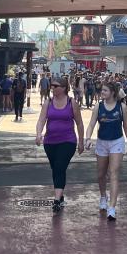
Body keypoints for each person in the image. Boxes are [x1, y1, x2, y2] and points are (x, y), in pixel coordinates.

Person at [84, 82, 127, 220]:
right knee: (101, 174)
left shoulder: (122, 107)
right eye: (102, 90)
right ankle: (103, 197)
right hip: (102, 142)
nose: (102, 92)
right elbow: (91, 124)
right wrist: (88, 138)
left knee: (114, 173)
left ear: (112, 92)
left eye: (105, 90)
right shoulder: (98, 106)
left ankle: (112, 207)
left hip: (117, 142)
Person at [35, 76, 84, 212]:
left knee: (59, 166)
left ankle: (56, 200)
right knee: (55, 168)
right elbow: (41, 120)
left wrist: (81, 142)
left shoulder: (71, 102)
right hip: (50, 141)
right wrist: (39, 134)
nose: (52, 88)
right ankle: (60, 194)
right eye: (52, 86)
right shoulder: (48, 102)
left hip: (67, 141)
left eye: (55, 86)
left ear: (63, 88)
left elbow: (79, 123)